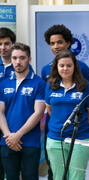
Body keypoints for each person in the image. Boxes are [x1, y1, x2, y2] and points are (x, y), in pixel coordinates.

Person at [42, 24, 89, 179]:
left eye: (60, 42)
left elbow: (88, 108)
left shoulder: (82, 69)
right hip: (55, 135)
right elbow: (50, 108)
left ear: (68, 43)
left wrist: (78, 124)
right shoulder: (46, 71)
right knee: (56, 174)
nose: (56, 46)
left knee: (76, 175)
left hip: (78, 136)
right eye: (52, 43)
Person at [0, 43, 46, 180]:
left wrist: (17, 135)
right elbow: (0, 112)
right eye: (14, 58)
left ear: (29, 59)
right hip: (6, 142)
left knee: (30, 177)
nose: (18, 62)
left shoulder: (39, 83)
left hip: (30, 142)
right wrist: (9, 135)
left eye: (22, 58)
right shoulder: (3, 83)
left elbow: (38, 114)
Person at [0, 27, 16, 180]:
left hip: (11, 125)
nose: (3, 47)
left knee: (11, 171)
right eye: (0, 44)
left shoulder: (20, 65)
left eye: (6, 43)